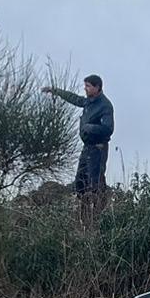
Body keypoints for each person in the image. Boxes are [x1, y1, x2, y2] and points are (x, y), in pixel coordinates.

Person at [42, 74, 114, 202]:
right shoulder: (88, 101)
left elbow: (108, 129)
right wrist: (55, 91)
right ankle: (82, 214)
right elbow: (74, 99)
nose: (85, 88)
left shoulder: (105, 106)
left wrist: (90, 128)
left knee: (95, 183)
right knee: (80, 182)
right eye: (85, 85)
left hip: (98, 148)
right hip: (87, 147)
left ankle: (98, 214)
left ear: (97, 87)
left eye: (88, 86)